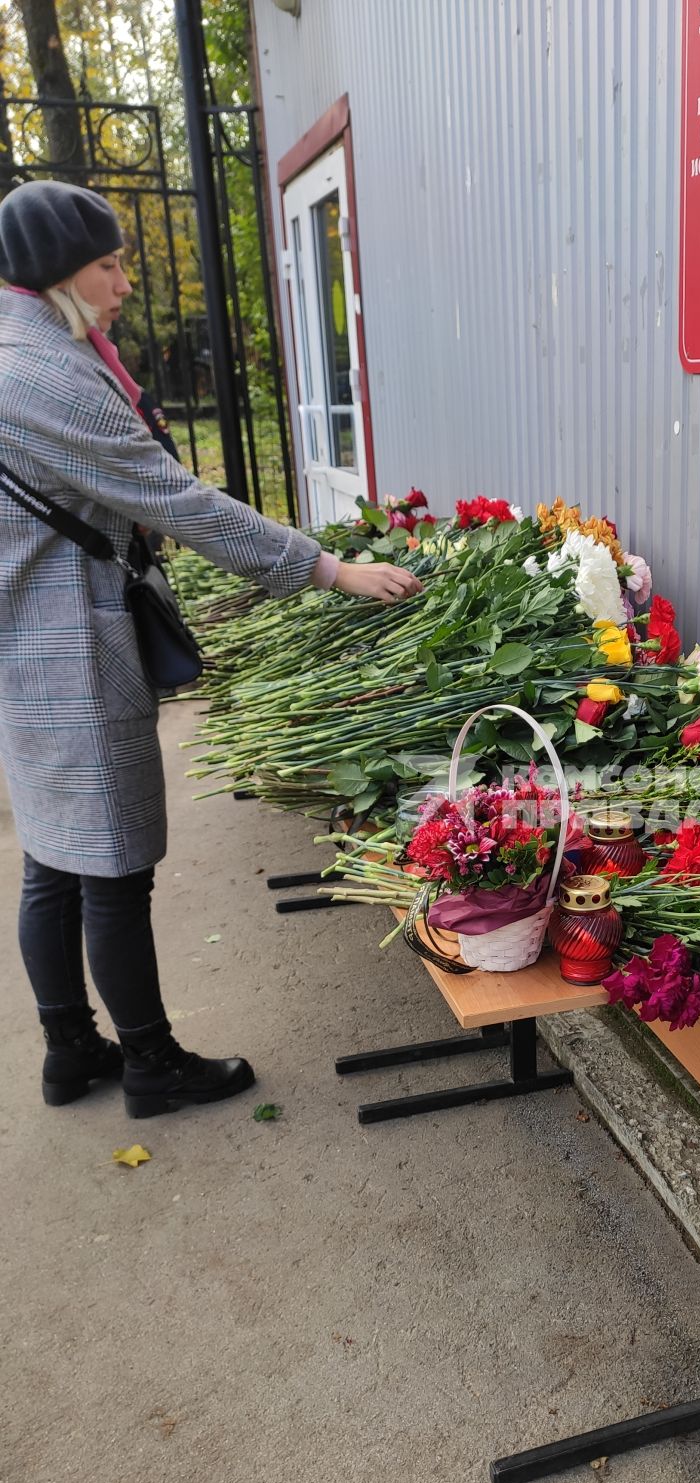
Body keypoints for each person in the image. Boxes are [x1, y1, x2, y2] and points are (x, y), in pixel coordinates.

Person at [0, 180, 422, 1117]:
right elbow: (174, 498)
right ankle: (151, 1065)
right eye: (108, 264)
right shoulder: (43, 373)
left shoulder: (17, 347)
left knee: (54, 862)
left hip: (21, 646)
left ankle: (70, 1053)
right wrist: (323, 569)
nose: (124, 281)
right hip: (70, 646)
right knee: (112, 864)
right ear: (61, 276)